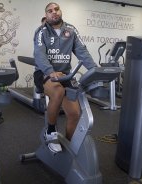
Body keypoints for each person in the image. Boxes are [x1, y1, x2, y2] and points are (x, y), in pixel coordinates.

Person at [33, 2, 97, 153]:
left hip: (65, 74)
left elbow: (82, 51)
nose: (54, 12)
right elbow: (40, 54)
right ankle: (50, 131)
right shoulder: (41, 32)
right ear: (46, 15)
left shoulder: (71, 30)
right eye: (50, 11)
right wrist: (50, 71)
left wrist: (94, 69)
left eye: (56, 9)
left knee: (75, 113)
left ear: (60, 11)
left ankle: (69, 144)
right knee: (58, 92)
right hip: (44, 73)